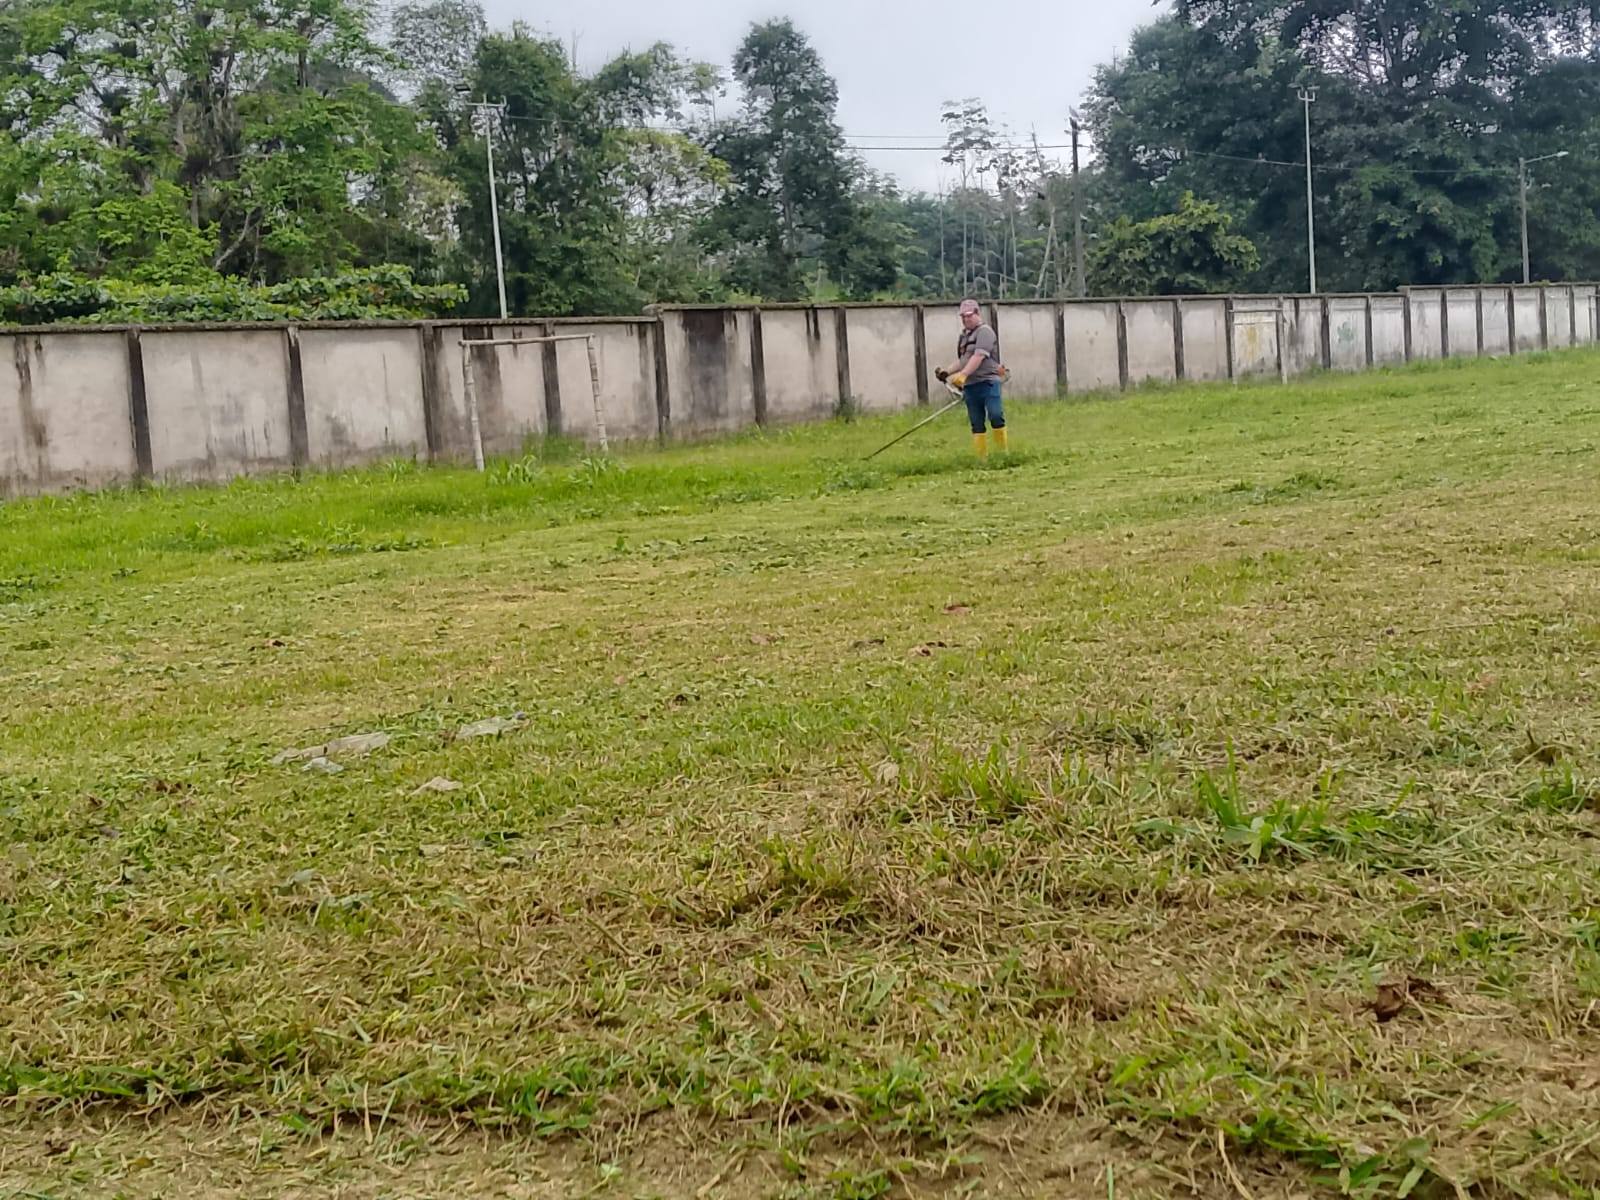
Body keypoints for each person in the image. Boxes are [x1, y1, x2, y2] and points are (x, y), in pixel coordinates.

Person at [935, 298, 1008, 458]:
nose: (966, 319)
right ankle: (982, 458)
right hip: (971, 385)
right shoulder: (964, 336)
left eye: (969, 315)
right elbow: (964, 360)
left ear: (977, 313)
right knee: (976, 422)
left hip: (988, 382)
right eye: (963, 316)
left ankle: (1002, 455)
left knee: (995, 415)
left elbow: (978, 356)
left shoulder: (985, 332)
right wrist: (947, 372)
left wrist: (963, 375)